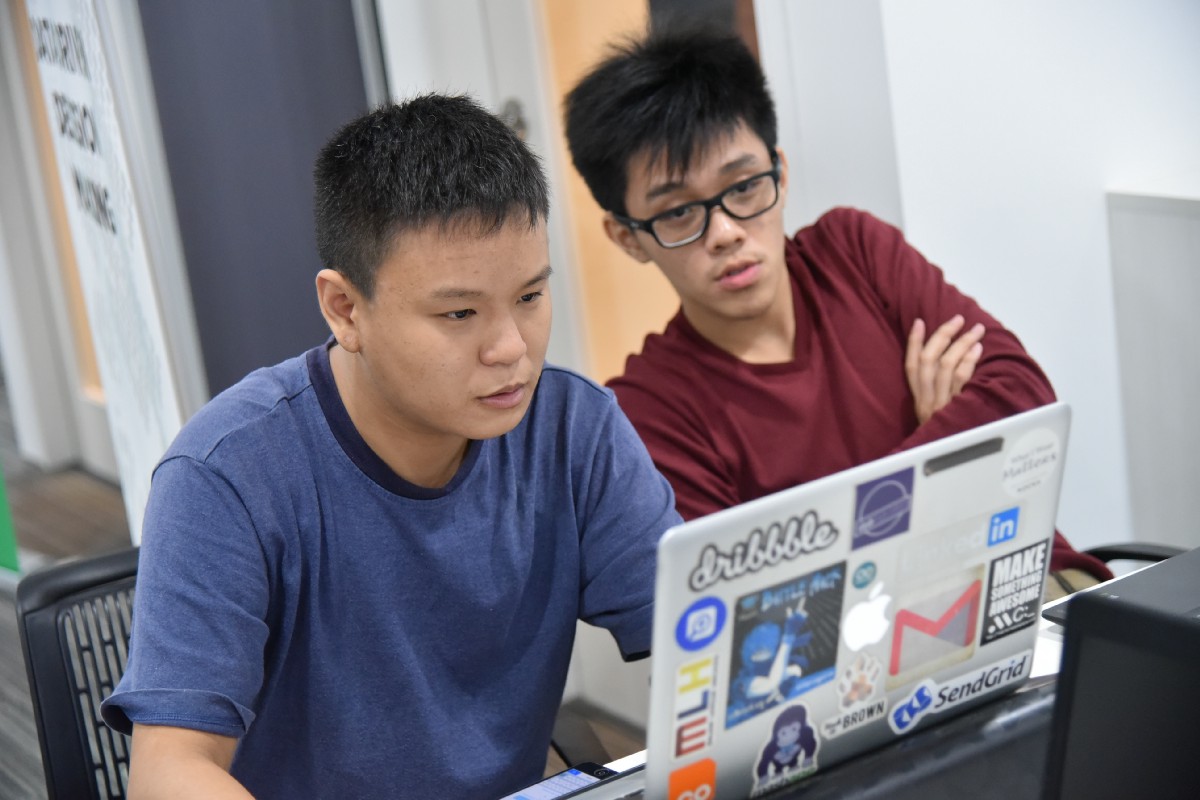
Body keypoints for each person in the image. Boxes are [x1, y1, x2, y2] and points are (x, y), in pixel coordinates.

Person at [101, 94, 681, 799]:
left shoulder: (573, 428)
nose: (511, 349)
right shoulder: (228, 473)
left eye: (530, 297)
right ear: (345, 309)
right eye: (459, 312)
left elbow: (702, 636)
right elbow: (168, 771)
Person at [562, 26, 1109, 596]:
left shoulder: (855, 253)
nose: (724, 232)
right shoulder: (649, 408)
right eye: (678, 213)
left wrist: (826, 526)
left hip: (1022, 570)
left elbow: (1023, 397)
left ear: (780, 174)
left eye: (744, 187)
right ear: (627, 238)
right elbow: (749, 600)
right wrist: (945, 452)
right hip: (864, 641)